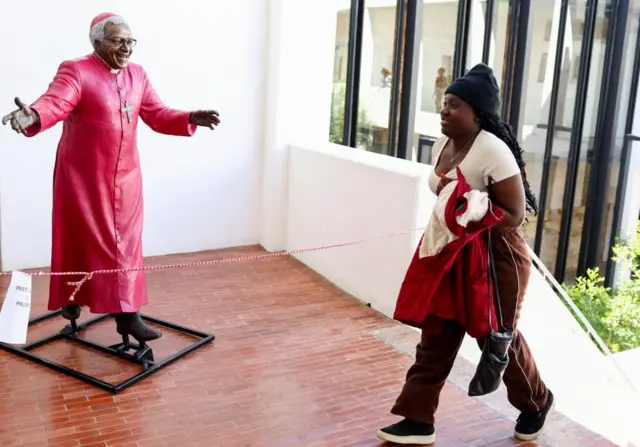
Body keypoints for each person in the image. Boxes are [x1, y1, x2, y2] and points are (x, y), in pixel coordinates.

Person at [1, 12, 221, 344]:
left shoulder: (138, 75)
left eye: (130, 40)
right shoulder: (77, 70)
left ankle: (126, 315)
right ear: (98, 42)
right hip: (84, 179)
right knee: (81, 242)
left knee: (126, 247)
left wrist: (188, 117)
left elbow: (156, 114)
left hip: (128, 180)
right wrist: (33, 114)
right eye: (118, 40)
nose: (127, 47)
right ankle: (74, 300)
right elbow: (56, 101)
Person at [377, 64, 553, 445]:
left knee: (494, 336)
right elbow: (445, 193)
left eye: (454, 105)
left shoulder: (493, 150)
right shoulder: (443, 142)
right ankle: (417, 419)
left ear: (477, 113)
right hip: (451, 252)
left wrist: (473, 211)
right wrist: (458, 211)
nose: (444, 110)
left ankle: (536, 402)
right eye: (444, 103)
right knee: (436, 332)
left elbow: (515, 216)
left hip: (495, 258)